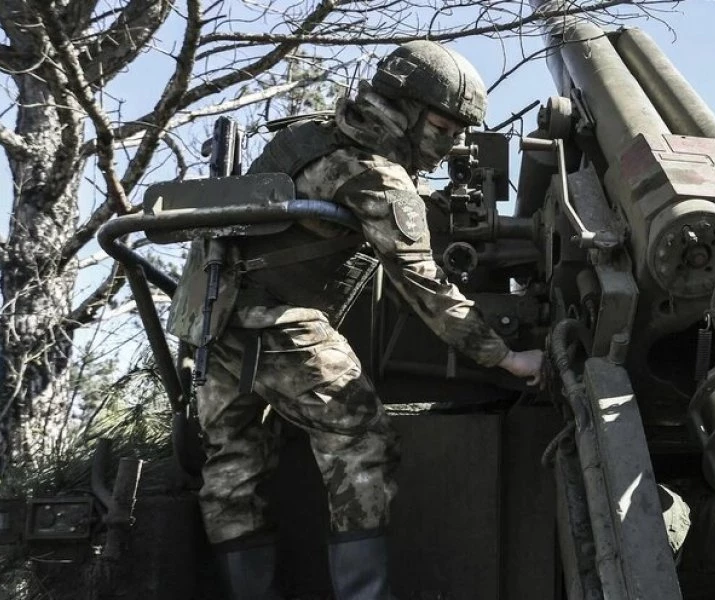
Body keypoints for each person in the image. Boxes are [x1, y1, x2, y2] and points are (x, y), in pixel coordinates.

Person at [181, 41, 543, 600]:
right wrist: (505, 356)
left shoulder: (305, 136)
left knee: (233, 467)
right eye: (442, 127)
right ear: (405, 110)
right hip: (280, 324)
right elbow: (423, 284)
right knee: (363, 440)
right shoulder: (378, 177)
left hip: (214, 322)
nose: (449, 144)